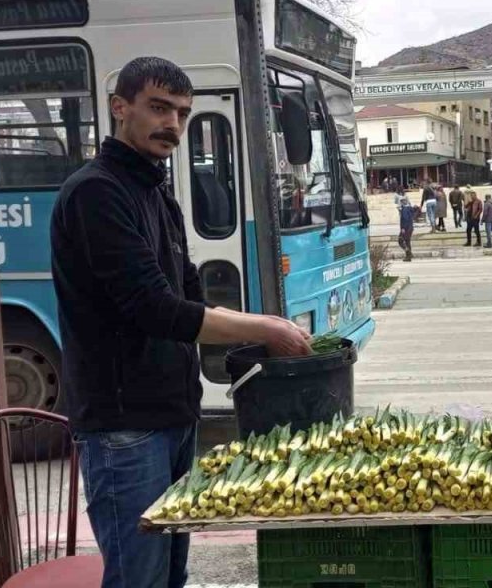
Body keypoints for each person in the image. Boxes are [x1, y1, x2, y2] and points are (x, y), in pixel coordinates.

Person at [50, 56, 311, 588]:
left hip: (172, 413)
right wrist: (266, 329)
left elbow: (187, 287)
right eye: (158, 107)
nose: (172, 123)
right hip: (125, 425)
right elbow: (153, 307)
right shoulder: (96, 192)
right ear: (120, 108)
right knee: (138, 578)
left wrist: (253, 331)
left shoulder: (155, 188)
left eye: (183, 113)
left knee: (171, 574)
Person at [398, 196, 416, 262]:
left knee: (400, 241)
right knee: (407, 241)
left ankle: (408, 253)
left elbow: (405, 219)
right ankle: (408, 257)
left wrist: (403, 228)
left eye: (402, 201)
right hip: (410, 227)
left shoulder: (405, 209)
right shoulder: (409, 208)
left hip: (406, 228)